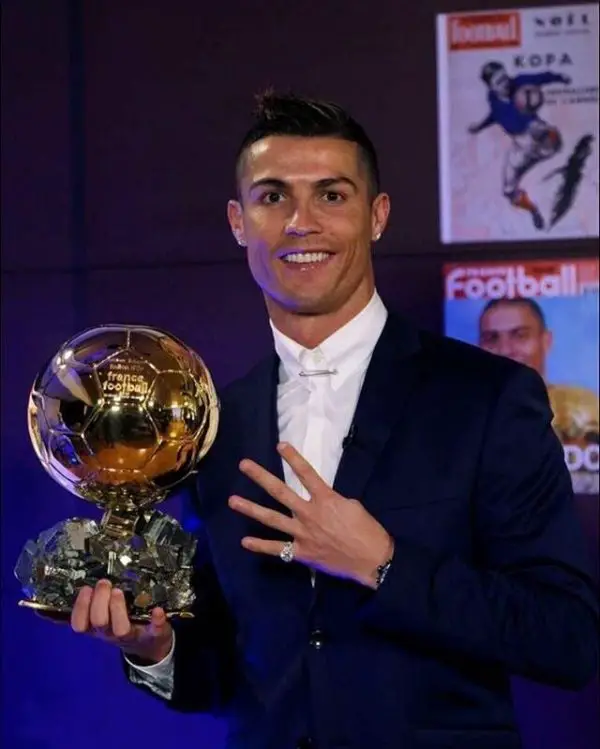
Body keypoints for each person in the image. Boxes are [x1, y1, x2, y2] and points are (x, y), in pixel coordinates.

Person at [63, 92, 598, 749]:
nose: (300, 222)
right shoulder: (215, 423)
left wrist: (386, 565)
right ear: (238, 221)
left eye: (331, 195)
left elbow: (566, 637)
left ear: (378, 216)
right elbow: (231, 669)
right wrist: (155, 646)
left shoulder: (487, 397)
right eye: (272, 197)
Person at [478, 297, 599, 490]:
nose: (505, 350)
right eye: (492, 338)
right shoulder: (465, 416)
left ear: (546, 341)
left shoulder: (585, 408)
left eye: (520, 335)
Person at [468, 61, 571, 230]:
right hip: (520, 146)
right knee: (508, 191)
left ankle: (554, 142)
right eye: (499, 81)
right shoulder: (493, 98)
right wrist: (479, 126)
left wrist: (560, 77)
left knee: (540, 131)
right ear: (491, 87)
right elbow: (495, 115)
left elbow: (542, 77)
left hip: (537, 134)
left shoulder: (519, 82)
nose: (505, 83)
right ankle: (533, 211)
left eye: (505, 77)